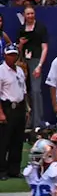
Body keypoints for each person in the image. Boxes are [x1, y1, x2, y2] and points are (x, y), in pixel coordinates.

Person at [17, 5, 48, 129]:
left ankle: (38, 122)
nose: (30, 16)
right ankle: (27, 122)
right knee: (24, 92)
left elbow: (45, 48)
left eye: (32, 13)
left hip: (35, 61)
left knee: (36, 91)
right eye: (28, 14)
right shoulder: (21, 29)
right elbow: (18, 50)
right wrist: (21, 44)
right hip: (23, 62)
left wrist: (39, 66)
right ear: (24, 15)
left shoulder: (41, 28)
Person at [0, 44, 28, 180]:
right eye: (10, 54)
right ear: (5, 55)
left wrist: (27, 108)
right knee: (4, 141)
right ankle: (2, 170)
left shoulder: (20, 71)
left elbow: (24, 90)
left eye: (14, 55)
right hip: (7, 107)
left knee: (17, 141)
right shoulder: (1, 71)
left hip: (20, 108)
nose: (12, 57)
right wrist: (0, 113)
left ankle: (14, 169)